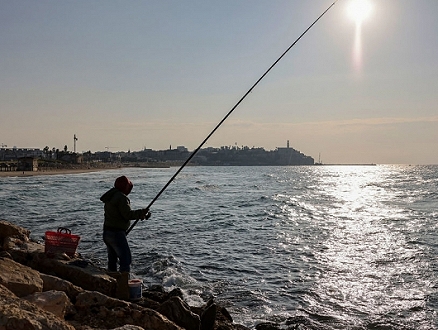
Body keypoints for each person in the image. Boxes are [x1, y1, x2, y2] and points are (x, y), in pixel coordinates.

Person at [100, 175, 151, 274]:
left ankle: (111, 281)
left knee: (112, 260)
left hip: (107, 232)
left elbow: (119, 214)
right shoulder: (121, 198)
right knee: (125, 260)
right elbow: (127, 214)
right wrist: (141, 213)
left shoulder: (110, 196)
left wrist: (141, 214)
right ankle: (123, 285)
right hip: (116, 234)